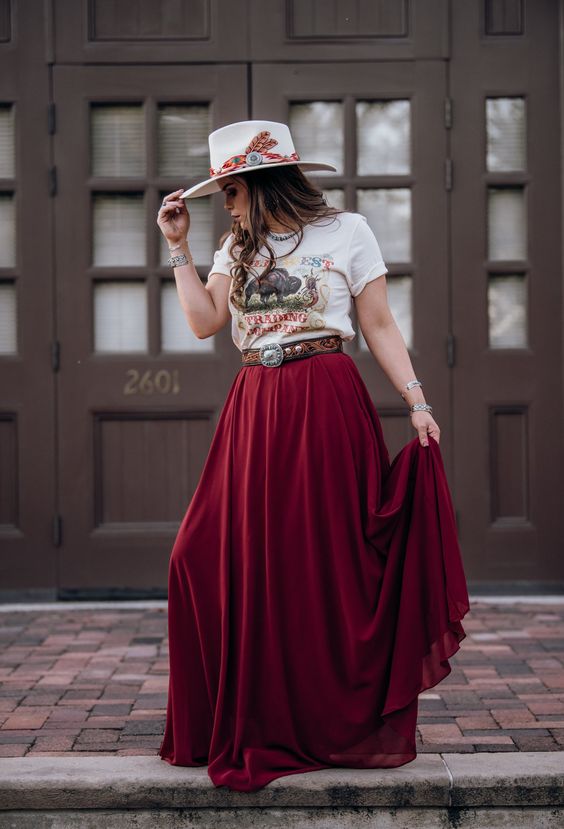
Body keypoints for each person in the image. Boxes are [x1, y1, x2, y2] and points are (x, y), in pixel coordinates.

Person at [156, 120, 470, 793]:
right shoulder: (232, 246)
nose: (227, 204)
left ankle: (330, 715)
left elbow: (379, 322)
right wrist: (179, 249)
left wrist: (416, 399)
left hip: (325, 396)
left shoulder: (347, 232)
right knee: (197, 552)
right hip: (255, 405)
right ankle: (243, 713)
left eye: (231, 191)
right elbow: (205, 322)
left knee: (318, 561)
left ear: (261, 183)